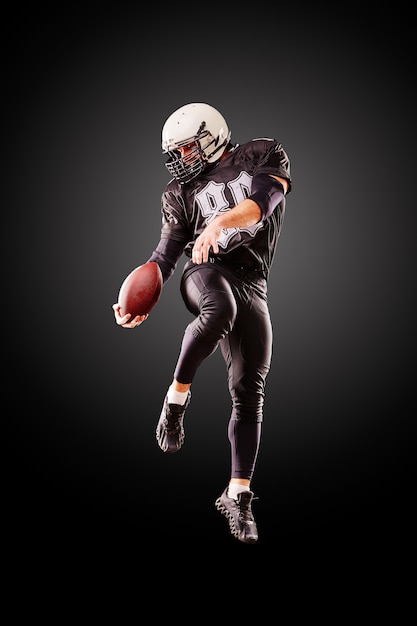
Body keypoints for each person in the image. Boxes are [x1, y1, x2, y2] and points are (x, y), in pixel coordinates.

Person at [112, 102, 291, 544]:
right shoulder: (177, 193)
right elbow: (165, 255)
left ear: (213, 136)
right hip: (206, 271)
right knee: (219, 311)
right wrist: (141, 291)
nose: (179, 161)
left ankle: (238, 495)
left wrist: (220, 223)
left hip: (255, 282)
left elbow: (264, 201)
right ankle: (175, 400)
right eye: (174, 153)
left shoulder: (260, 153)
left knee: (250, 392)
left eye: (186, 149)